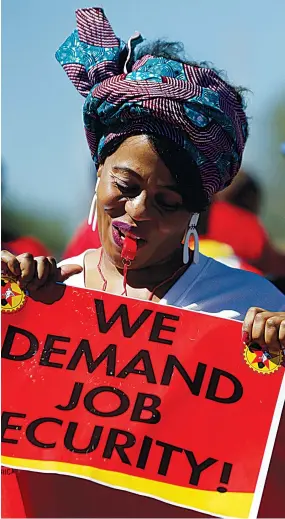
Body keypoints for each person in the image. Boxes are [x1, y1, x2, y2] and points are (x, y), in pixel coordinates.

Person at [1, 7, 285, 518]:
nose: (137, 212)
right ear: (100, 171)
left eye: (167, 203)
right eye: (125, 187)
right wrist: (15, 316)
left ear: (196, 214)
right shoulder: (37, 290)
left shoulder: (249, 310)